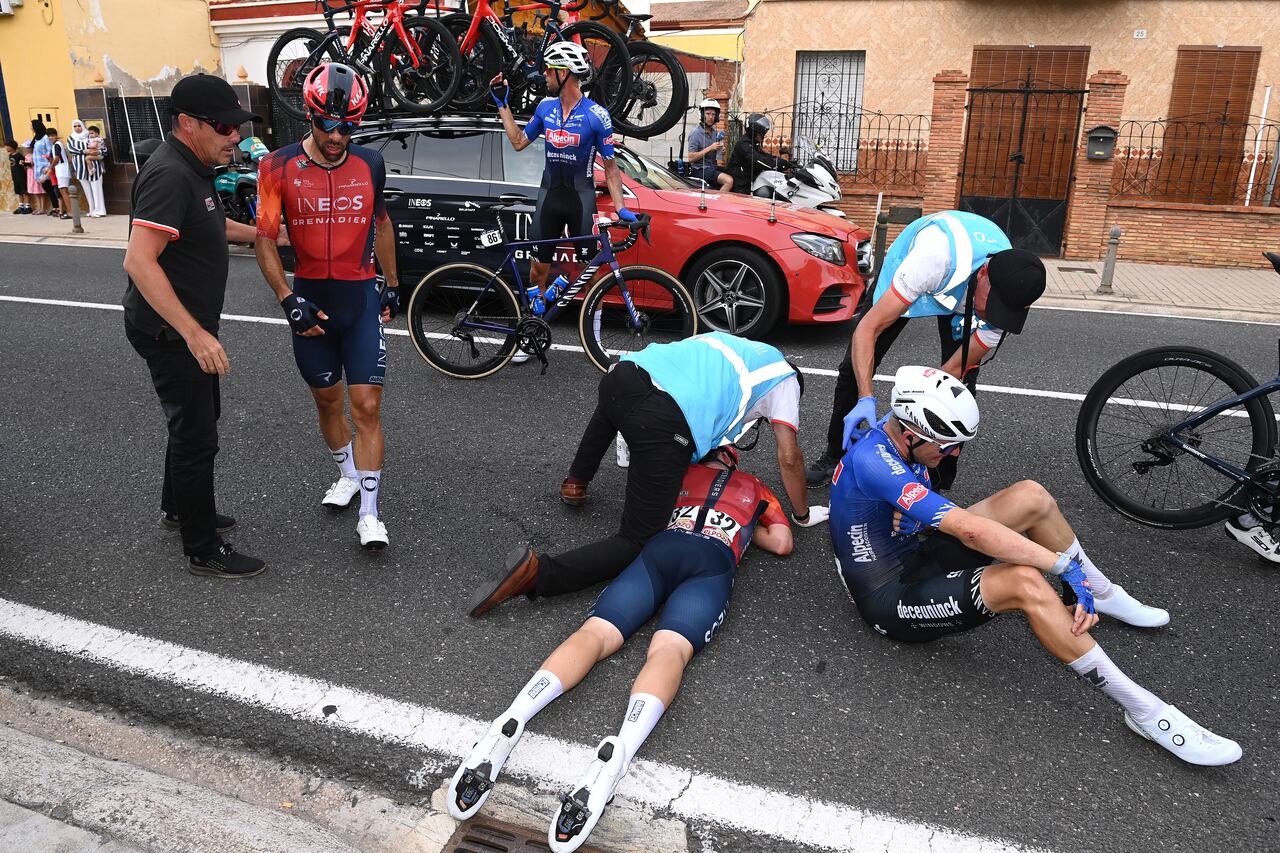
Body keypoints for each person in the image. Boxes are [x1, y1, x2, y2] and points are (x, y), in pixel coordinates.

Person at [829, 366, 1242, 766]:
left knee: (1031, 496)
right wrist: (1062, 567)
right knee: (1025, 581)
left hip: (913, 554)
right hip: (889, 597)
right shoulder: (875, 461)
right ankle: (1147, 713)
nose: (954, 453)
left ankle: (1101, 592)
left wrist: (918, 518)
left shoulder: (898, 429)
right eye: (947, 445)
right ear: (909, 434)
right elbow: (970, 531)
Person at [448, 446, 793, 851]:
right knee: (670, 650)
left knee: (596, 634)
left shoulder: (679, 470)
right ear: (734, 461)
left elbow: (645, 512)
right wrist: (744, 530)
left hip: (661, 551)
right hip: (711, 561)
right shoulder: (758, 488)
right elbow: (782, 542)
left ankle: (512, 718)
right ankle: (619, 753)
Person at [469, 331, 829, 617]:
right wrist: (800, 514)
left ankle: (576, 481)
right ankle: (538, 574)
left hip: (622, 375)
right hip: (661, 420)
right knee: (639, 539)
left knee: (615, 408)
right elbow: (790, 457)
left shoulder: (735, 346)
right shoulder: (785, 381)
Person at [122, 73, 265, 579]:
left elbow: (209, 224)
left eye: (236, 126)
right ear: (188, 123)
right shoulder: (169, 174)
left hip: (184, 325)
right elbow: (139, 261)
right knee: (197, 436)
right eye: (224, 127)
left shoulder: (196, 166)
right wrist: (194, 333)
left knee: (195, 421)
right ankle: (202, 548)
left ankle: (179, 507)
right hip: (170, 330)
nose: (235, 136)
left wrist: (266, 234)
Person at [254, 62, 398, 550]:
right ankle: (348, 474)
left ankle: (370, 514)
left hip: (359, 301)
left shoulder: (371, 163)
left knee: (367, 406)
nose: (338, 137)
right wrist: (287, 299)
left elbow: (382, 224)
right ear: (309, 116)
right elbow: (265, 239)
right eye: (328, 124)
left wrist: (392, 284)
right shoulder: (277, 166)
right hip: (310, 303)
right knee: (327, 401)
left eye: (349, 127)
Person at [805, 210, 1046, 490]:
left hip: (962, 291)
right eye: (992, 306)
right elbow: (867, 330)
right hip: (929, 269)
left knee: (960, 388)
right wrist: (866, 397)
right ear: (984, 274)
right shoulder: (932, 259)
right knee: (852, 369)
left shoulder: (1014, 291)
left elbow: (952, 371)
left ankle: (937, 477)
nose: (993, 315)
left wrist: (904, 418)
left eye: (1003, 312)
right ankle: (836, 454)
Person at [489, 42, 635, 309]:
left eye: (549, 69)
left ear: (564, 72)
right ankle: (534, 328)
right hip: (549, 199)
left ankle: (594, 333)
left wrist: (621, 208)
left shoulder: (596, 115)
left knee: (592, 278)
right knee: (537, 274)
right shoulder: (545, 108)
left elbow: (611, 168)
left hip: (581, 201)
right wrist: (503, 104)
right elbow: (519, 142)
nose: (544, 74)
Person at [726, 112, 790, 192]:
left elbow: (764, 155)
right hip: (740, 184)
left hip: (748, 180)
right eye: (761, 133)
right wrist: (779, 165)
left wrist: (782, 162)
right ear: (754, 132)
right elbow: (758, 160)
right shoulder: (744, 144)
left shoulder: (752, 143)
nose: (763, 136)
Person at [685, 99, 733, 191]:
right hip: (699, 170)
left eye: (713, 114)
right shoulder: (695, 133)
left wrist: (721, 151)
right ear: (702, 115)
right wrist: (710, 148)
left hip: (712, 168)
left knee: (735, 175)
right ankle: (718, 200)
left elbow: (718, 158)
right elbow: (691, 158)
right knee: (728, 181)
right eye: (708, 114)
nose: (711, 117)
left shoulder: (715, 132)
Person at [67, 119, 107, 217]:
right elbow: (71, 149)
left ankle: (100, 210)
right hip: (80, 167)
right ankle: (92, 209)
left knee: (96, 188)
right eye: (75, 126)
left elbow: (103, 149)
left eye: (79, 125)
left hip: (94, 166)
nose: (77, 128)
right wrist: (84, 151)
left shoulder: (90, 135)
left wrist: (98, 152)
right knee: (87, 190)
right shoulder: (71, 138)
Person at [48, 128, 73, 219]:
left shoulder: (57, 145)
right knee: (63, 191)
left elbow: (57, 159)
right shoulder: (55, 145)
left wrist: (50, 167)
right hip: (60, 170)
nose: (51, 137)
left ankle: (70, 212)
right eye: (49, 136)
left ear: (56, 135)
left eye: (52, 135)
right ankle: (70, 211)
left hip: (62, 170)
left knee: (64, 192)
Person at [6, 139, 32, 214]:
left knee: (25, 191)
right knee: (19, 192)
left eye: (7, 146)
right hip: (15, 176)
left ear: (12, 147)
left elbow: (24, 165)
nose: (6, 148)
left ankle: (28, 207)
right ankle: (21, 206)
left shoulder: (19, 156)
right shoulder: (10, 155)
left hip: (21, 176)